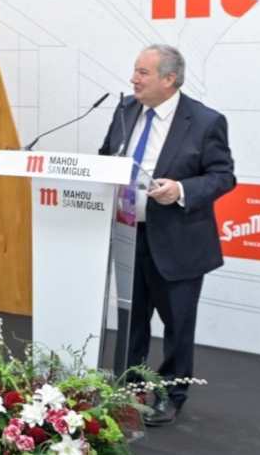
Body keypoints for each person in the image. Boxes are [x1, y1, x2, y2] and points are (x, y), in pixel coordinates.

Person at [99, 44, 235, 426]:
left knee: (177, 325)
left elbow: (223, 176)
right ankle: (127, 388)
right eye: (135, 70)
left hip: (179, 242)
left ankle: (173, 395)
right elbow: (107, 155)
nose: (133, 79)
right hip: (129, 234)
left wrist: (181, 190)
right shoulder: (125, 110)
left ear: (169, 79)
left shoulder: (205, 121)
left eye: (142, 72)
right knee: (131, 320)